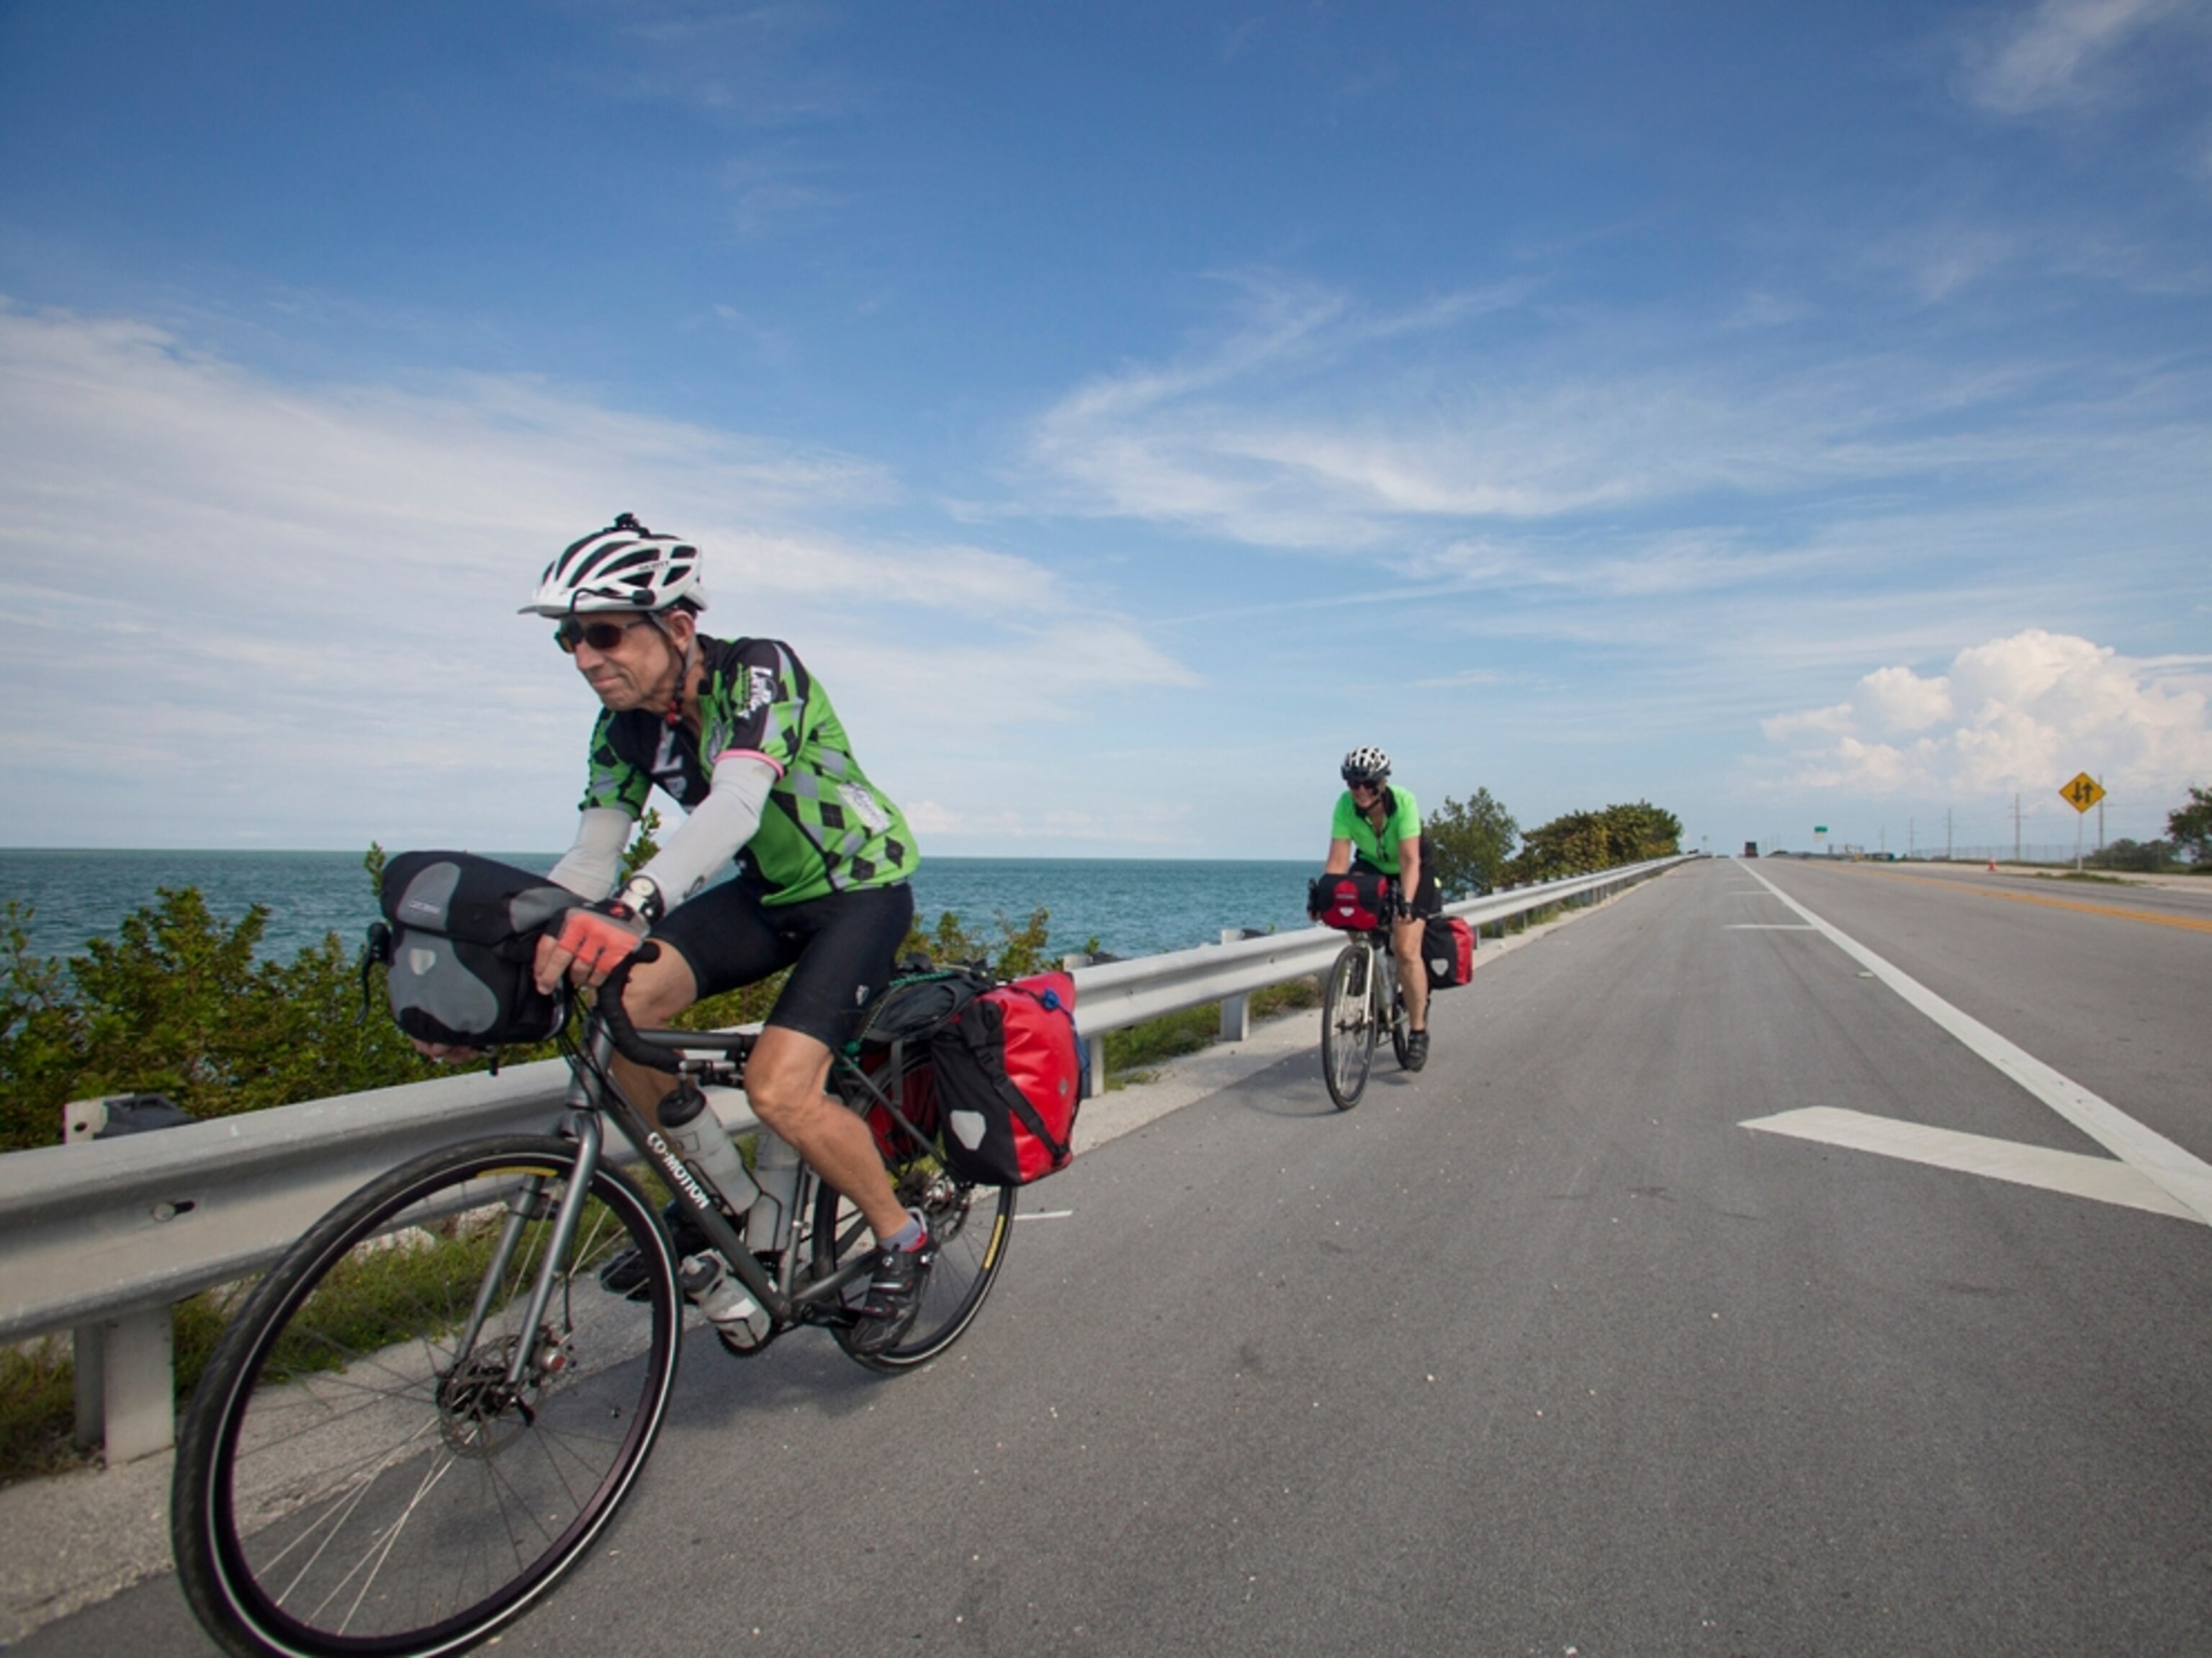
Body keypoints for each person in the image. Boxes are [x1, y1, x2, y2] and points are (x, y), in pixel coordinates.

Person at [516, 512, 928, 1353]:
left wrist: (633, 905)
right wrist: (530, 927)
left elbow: (736, 804)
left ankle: (900, 1236)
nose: (587, 657)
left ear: (677, 625)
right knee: (618, 1003)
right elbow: (593, 852)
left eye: (604, 633)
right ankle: (722, 1201)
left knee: (781, 1090)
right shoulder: (623, 726)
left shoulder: (759, 672)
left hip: (859, 891)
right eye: (570, 640)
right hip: (767, 893)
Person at [1321, 745, 1437, 1070]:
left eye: (1367, 784)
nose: (1359, 791)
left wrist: (1408, 903)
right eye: (1353, 784)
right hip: (1372, 866)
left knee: (1405, 948)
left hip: (1412, 870)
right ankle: (1362, 958)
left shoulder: (1404, 802)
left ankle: (1417, 1030)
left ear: (1382, 782)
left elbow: (1410, 860)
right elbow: (1339, 861)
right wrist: (1324, 896)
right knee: (1343, 898)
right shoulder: (1345, 806)